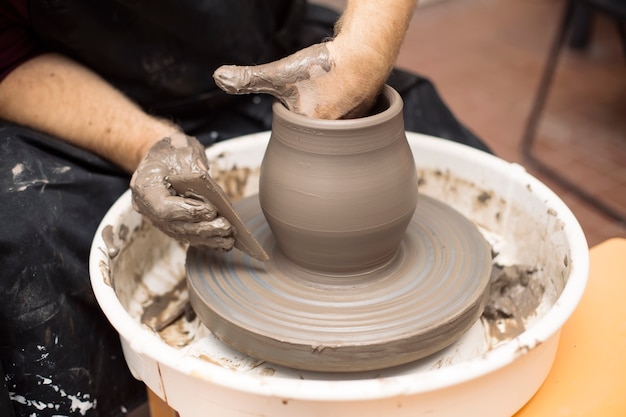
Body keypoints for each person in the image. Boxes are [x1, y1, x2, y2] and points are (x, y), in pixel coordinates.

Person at [0, 1, 490, 416]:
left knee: (463, 163)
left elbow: (362, 52)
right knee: (28, 235)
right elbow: (9, 58)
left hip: (280, 66)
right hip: (88, 93)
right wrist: (145, 142)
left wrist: (361, 58)